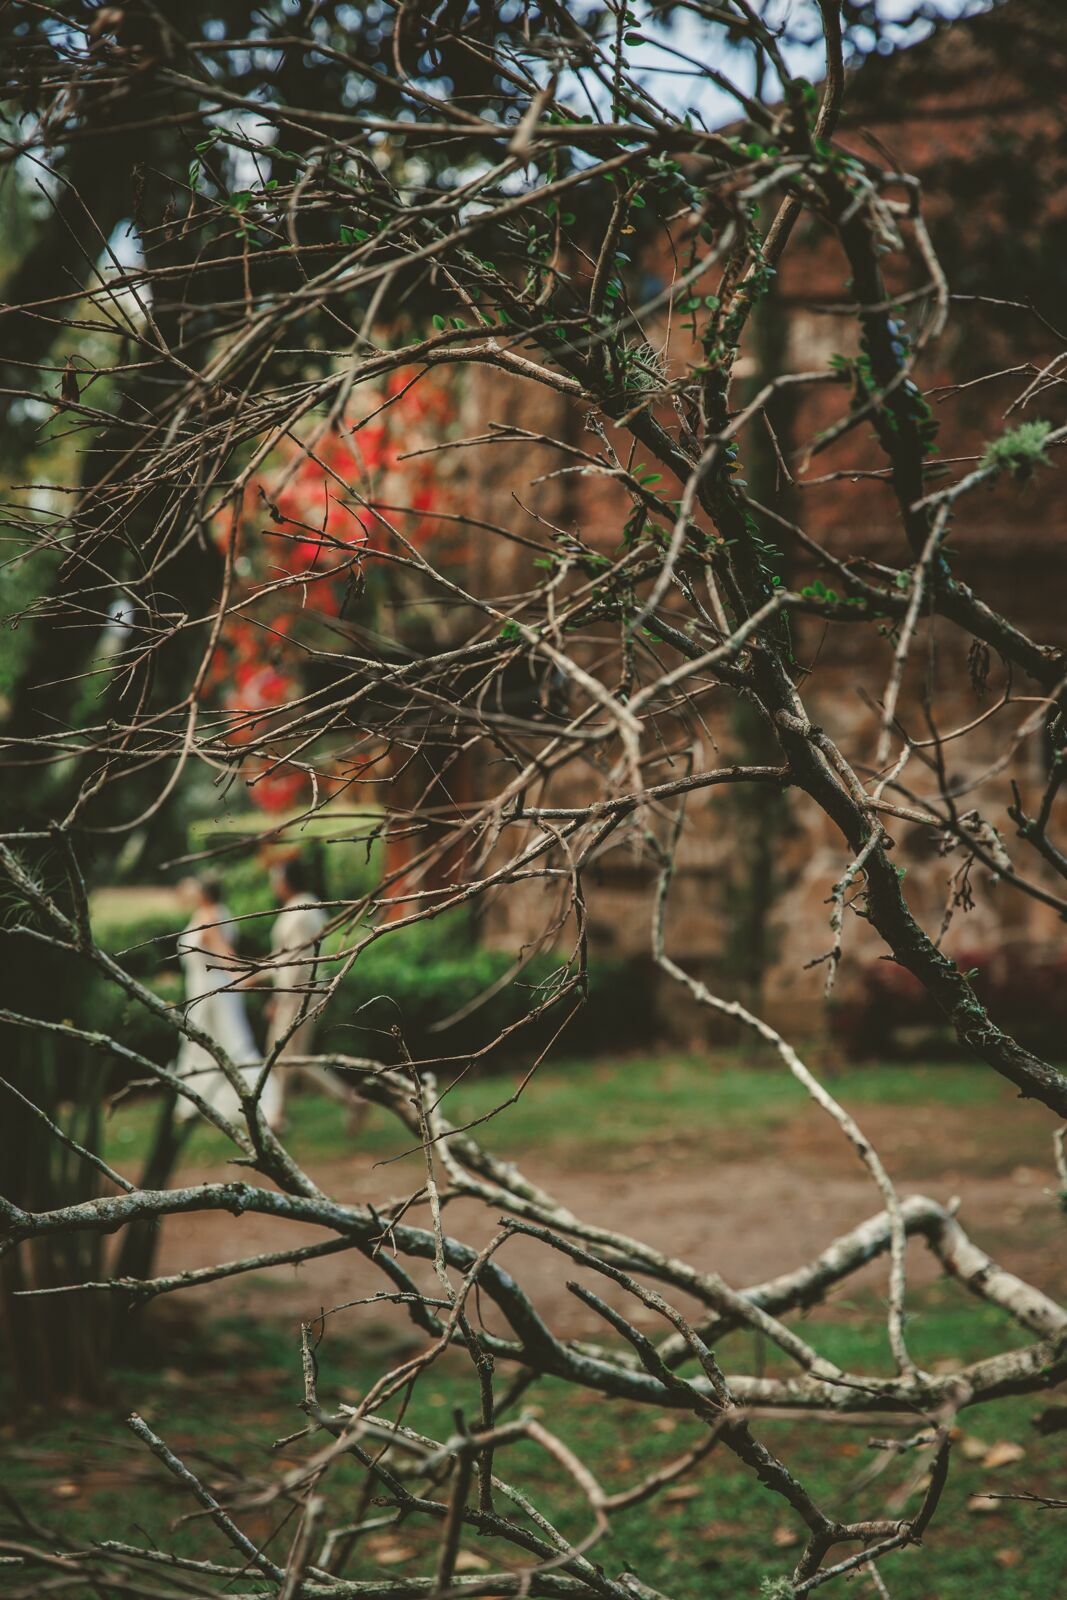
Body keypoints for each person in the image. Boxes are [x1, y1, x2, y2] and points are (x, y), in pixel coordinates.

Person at [173, 875, 282, 1130]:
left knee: (231, 1044)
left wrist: (244, 976)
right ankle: (194, 1103)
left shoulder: (211, 918)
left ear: (203, 893)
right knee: (198, 1048)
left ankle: (263, 1099)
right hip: (201, 990)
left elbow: (224, 956)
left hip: (213, 993)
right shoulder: (209, 913)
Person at [266, 856, 361, 1127]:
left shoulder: (301, 912)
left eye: (276, 878)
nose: (274, 885)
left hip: (298, 993)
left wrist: (279, 997)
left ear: (287, 880)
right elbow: (282, 957)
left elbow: (296, 962)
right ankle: (280, 1113)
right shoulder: (300, 908)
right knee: (288, 1057)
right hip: (299, 991)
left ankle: (281, 1114)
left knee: (289, 1056)